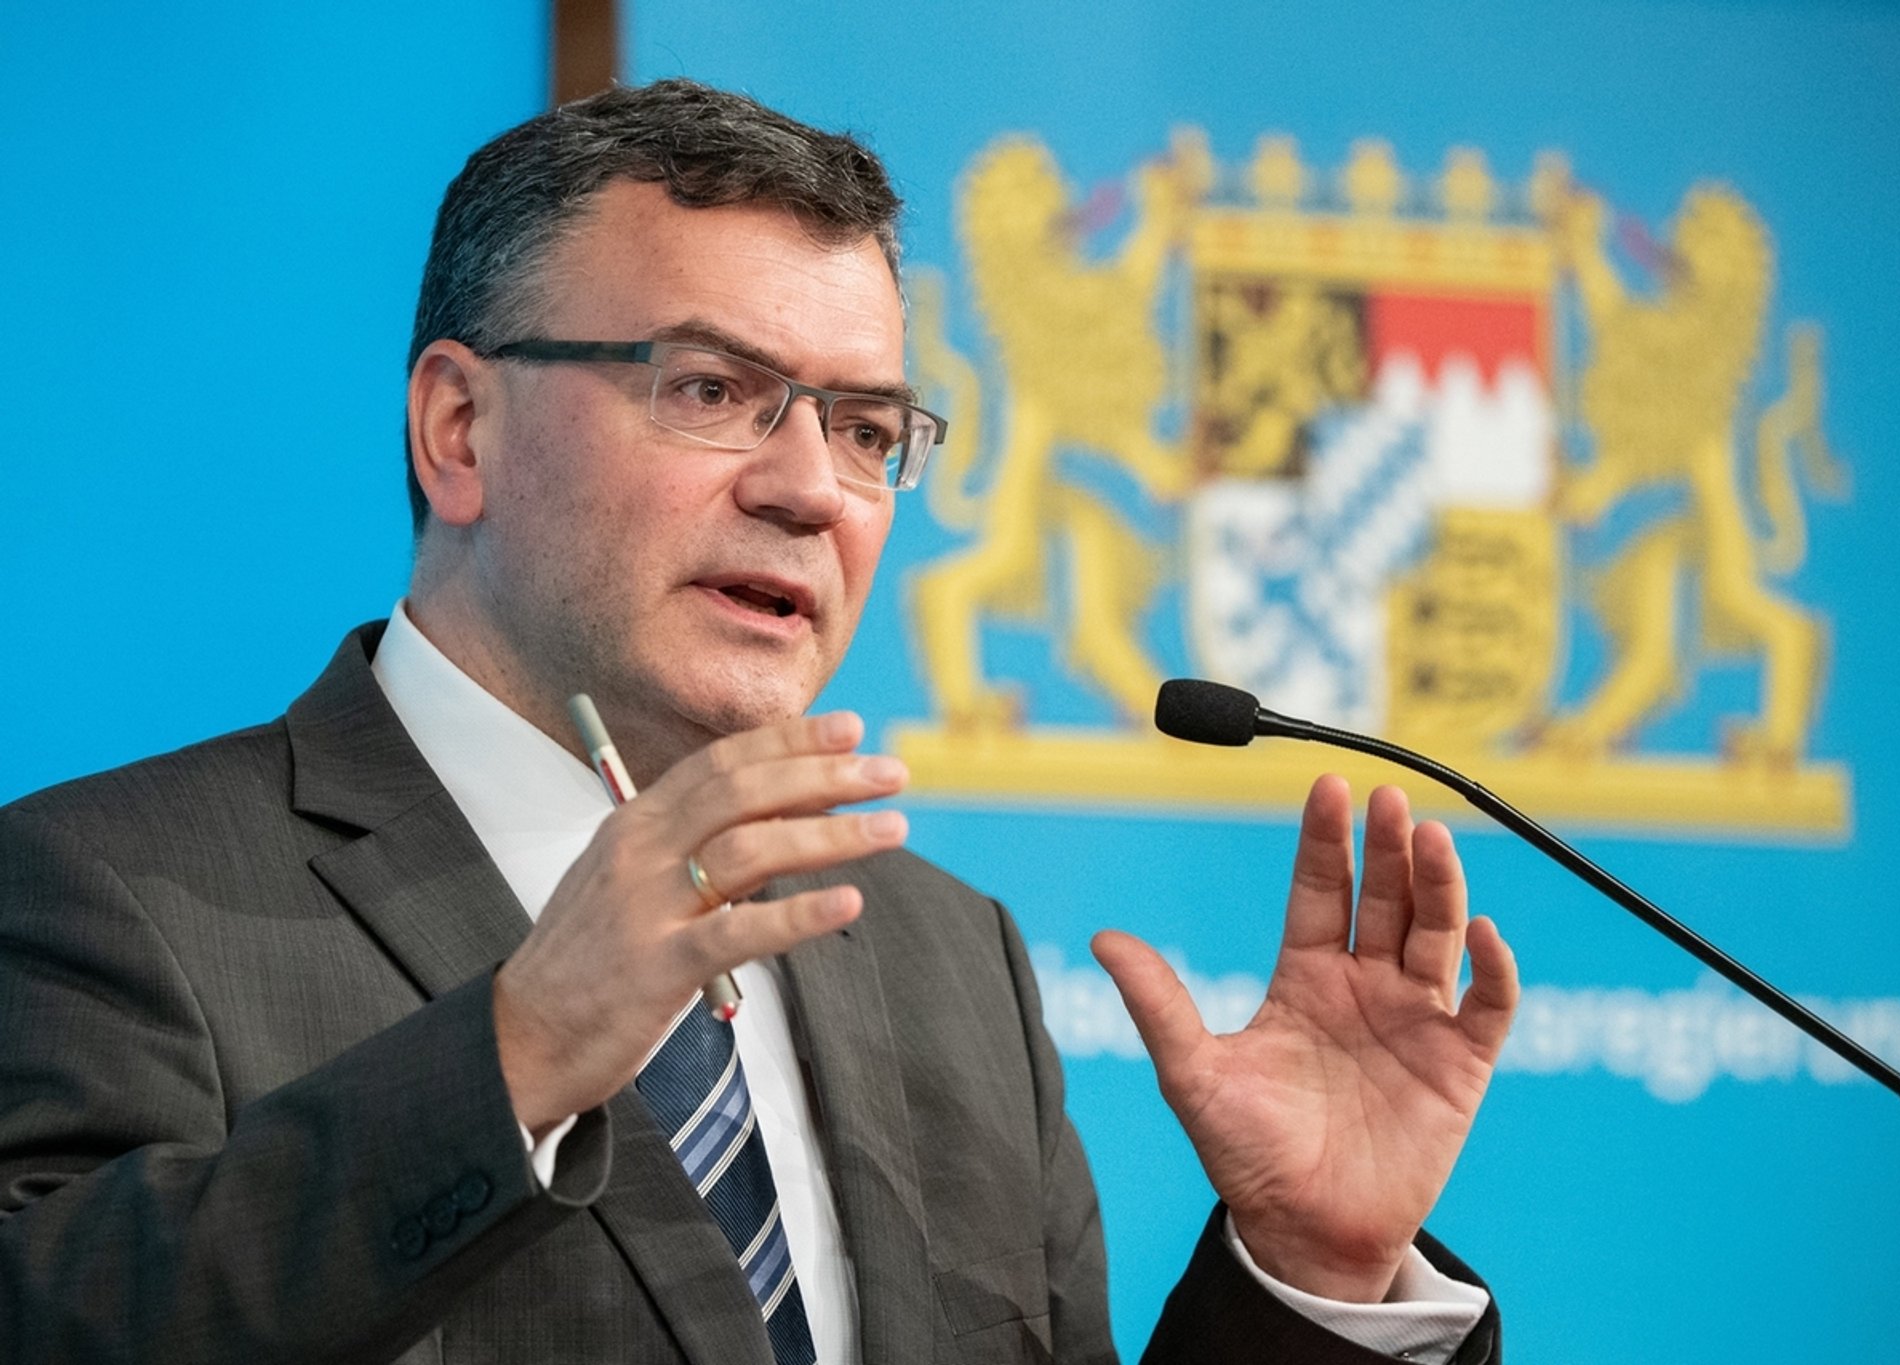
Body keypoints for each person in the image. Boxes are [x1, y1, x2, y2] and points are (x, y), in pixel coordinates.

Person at [0, 80, 1519, 1364]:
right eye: (715, 388)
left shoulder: (947, 960)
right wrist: (516, 1053)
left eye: (866, 429)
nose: (810, 490)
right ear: (460, 429)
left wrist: (1309, 1270)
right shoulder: (109, 893)